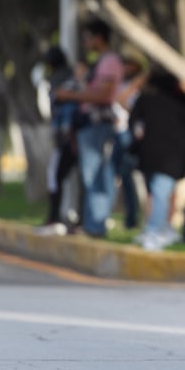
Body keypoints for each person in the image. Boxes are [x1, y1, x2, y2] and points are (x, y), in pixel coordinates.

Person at [55, 18, 124, 238]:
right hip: (88, 126)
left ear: (98, 37)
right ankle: (92, 225)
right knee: (91, 176)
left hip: (97, 125)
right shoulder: (101, 61)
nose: (85, 42)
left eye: (87, 37)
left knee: (95, 176)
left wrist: (70, 95)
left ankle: (95, 226)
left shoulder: (110, 61)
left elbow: (103, 95)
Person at [129, 67, 185, 251]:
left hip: (151, 154)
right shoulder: (183, 100)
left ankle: (156, 230)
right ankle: (157, 230)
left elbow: (133, 123)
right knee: (162, 193)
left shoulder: (146, 99)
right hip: (172, 156)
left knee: (158, 193)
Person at [36, 45, 81, 235]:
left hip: (67, 137)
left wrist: (66, 135)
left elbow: (65, 111)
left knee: (54, 176)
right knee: (76, 178)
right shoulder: (70, 76)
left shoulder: (60, 79)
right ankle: (76, 220)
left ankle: (54, 218)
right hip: (74, 135)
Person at [112, 49, 149, 229]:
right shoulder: (122, 84)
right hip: (119, 133)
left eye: (130, 65)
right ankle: (131, 216)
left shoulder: (141, 88)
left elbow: (124, 103)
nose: (126, 68)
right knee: (122, 175)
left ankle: (144, 217)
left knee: (142, 177)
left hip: (134, 135)